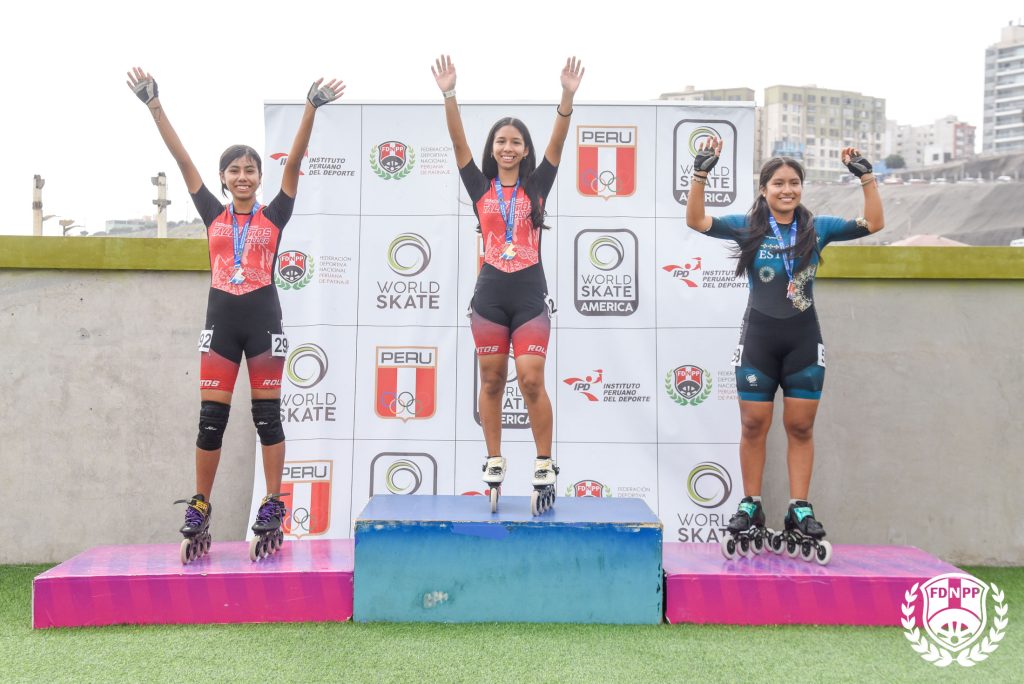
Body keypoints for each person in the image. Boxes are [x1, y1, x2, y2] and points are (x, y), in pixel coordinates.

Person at [126, 67, 344, 562]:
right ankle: (201, 505)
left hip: (264, 324)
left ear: (260, 178)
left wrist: (310, 107)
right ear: (224, 179)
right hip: (221, 325)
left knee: (268, 418)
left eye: (250, 170)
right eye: (234, 170)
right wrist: (154, 104)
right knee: (211, 422)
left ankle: (272, 503)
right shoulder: (211, 212)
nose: (242, 176)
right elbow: (182, 159)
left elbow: (295, 163)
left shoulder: (276, 214)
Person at [685, 139, 884, 564]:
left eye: (794, 183)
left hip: (803, 341)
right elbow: (697, 220)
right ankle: (751, 505)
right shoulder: (747, 226)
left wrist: (866, 177)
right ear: (764, 189)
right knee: (753, 424)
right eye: (778, 183)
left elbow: (873, 223)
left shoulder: (818, 228)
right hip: (759, 339)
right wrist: (700, 174)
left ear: (801, 188)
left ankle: (799, 508)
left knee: (801, 427)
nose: (787, 190)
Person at [431, 54, 583, 515]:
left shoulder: (538, 186)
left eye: (516, 141)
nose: (508, 147)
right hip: (490, 297)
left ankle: (544, 463)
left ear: (526, 150)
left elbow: (558, 141)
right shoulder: (479, 187)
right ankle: (494, 459)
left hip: (530, 295)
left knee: (532, 380)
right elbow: (457, 141)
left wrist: (566, 96)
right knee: (492, 380)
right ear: (493, 148)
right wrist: (449, 93)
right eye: (501, 141)